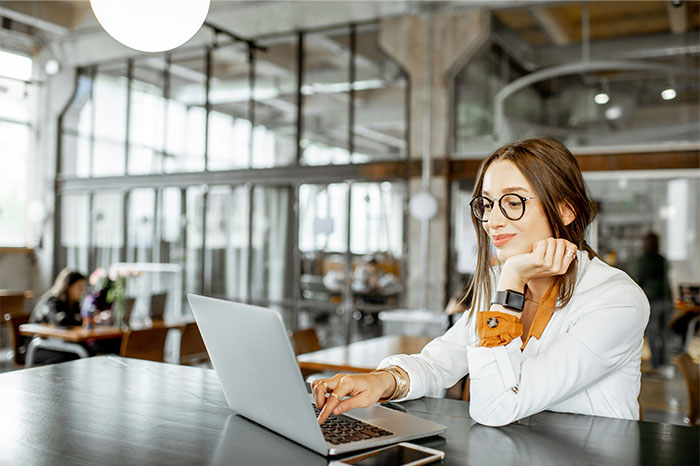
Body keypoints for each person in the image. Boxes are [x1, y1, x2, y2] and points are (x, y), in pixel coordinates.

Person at [312, 138, 650, 427]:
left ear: (566, 210)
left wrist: (512, 280)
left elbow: (496, 406)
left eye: (513, 202)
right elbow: (440, 362)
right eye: (486, 204)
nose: (492, 220)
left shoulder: (615, 300)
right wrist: (382, 381)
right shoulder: (497, 281)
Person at [29, 268, 88, 364]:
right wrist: (77, 319)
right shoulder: (51, 301)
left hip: (58, 344)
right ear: (68, 287)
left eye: (84, 288)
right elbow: (59, 320)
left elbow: (78, 321)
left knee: (87, 350)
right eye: (79, 287)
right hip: (38, 345)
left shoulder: (74, 303)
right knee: (72, 356)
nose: (82, 291)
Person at [633, 232, 672, 370]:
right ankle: (665, 363)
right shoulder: (662, 260)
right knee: (664, 334)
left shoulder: (643, 261)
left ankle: (656, 365)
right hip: (667, 299)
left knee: (653, 334)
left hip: (653, 301)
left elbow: (638, 280)